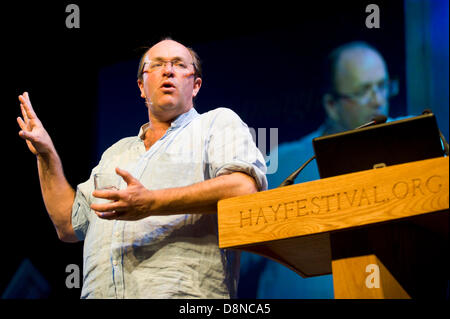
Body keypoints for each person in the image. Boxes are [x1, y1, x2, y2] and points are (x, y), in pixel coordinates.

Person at [17, 39, 268, 299]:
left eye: (180, 65)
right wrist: (47, 155)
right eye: (157, 65)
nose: (168, 70)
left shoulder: (216, 124)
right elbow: (69, 224)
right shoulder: (115, 153)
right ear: (141, 87)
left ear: (195, 86)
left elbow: (243, 189)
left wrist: (151, 202)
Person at [239, 41, 406, 299]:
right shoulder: (283, 164)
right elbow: (237, 256)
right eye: (364, 91)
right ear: (331, 104)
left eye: (383, 86)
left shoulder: (412, 148)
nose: (379, 101)